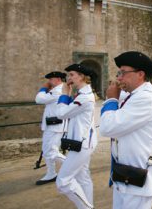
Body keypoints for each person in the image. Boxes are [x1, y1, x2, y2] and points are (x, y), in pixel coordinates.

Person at [99, 51, 152, 209]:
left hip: (137, 179)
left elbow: (107, 127)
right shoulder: (134, 95)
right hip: (126, 174)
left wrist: (111, 99)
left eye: (123, 73)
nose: (119, 78)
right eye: (119, 73)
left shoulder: (145, 98)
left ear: (140, 74)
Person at [56, 64, 98, 209]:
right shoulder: (82, 94)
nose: (69, 78)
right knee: (83, 178)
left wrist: (64, 93)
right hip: (81, 142)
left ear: (81, 76)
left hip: (82, 144)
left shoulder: (85, 97)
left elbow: (61, 113)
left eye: (72, 75)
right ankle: (88, 204)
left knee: (63, 181)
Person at [34, 71, 67, 185]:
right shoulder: (55, 90)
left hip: (55, 127)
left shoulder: (58, 91)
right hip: (51, 126)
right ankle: (51, 173)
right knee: (47, 151)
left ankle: (74, 167)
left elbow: (38, 99)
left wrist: (43, 88)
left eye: (51, 79)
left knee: (51, 152)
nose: (49, 82)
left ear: (58, 79)